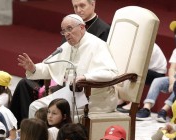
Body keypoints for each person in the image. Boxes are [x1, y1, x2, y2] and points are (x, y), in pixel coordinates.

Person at [10, 0, 110, 128]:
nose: (67, 34)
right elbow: (51, 65)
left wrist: (85, 78)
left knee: (45, 107)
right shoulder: (68, 45)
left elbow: (109, 72)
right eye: (64, 31)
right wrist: (33, 68)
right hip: (72, 92)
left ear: (81, 27)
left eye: (69, 29)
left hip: (93, 96)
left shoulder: (97, 45)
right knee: (35, 106)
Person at [117, 43, 167, 113]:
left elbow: (142, 64)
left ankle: (134, 103)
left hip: (158, 74)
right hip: (148, 70)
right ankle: (122, 100)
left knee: (136, 73)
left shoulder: (147, 45)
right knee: (127, 69)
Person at [136, 47, 176, 122]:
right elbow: (172, 69)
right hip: (174, 78)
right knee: (157, 81)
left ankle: (164, 111)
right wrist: (172, 82)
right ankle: (146, 108)